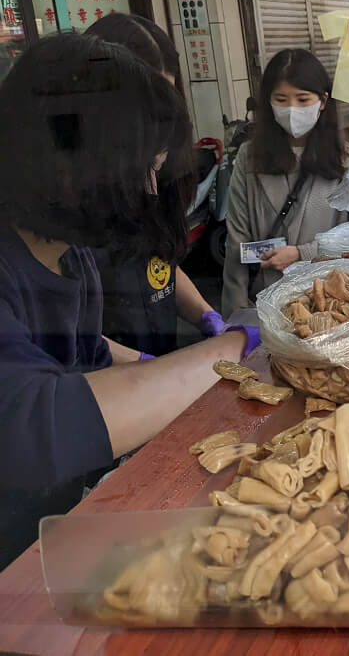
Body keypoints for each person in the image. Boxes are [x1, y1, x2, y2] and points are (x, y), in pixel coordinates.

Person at [0, 33, 258, 567]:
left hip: (65, 528)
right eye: (138, 170)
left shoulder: (72, 256)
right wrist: (230, 350)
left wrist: (157, 368)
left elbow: (79, 349)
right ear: (65, 162)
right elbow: (31, 425)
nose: (147, 191)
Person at [85, 13, 223, 355]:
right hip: (100, 391)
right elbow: (62, 332)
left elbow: (161, 270)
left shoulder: (159, 174)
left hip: (158, 371)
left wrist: (207, 315)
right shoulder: (64, 206)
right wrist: (142, 367)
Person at [222, 48, 349, 318]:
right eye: (281, 100)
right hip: (267, 304)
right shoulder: (249, 158)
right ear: (269, 102)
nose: (292, 109)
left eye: (302, 99)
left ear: (322, 101)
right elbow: (236, 242)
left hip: (328, 306)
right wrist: (235, 317)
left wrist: (301, 253)